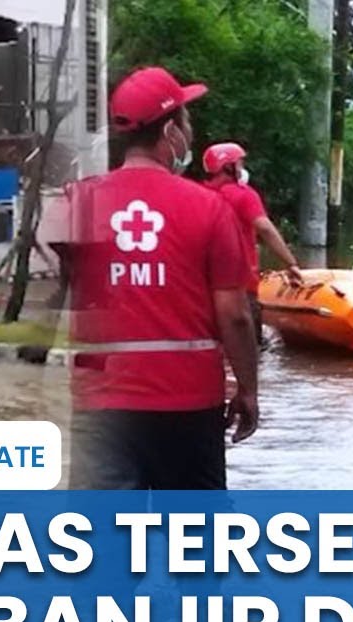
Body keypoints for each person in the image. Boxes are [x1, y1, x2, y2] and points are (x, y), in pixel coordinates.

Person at [66, 66, 259, 491]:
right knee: (193, 544)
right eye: (187, 122)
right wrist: (248, 390)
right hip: (187, 405)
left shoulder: (77, 203)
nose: (189, 133)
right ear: (171, 131)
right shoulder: (209, 209)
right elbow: (235, 316)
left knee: (100, 544)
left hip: (101, 404)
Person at [202, 142, 303, 342]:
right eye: (239, 164)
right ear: (228, 167)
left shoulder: (199, 195)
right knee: (251, 349)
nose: (242, 169)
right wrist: (291, 263)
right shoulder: (244, 196)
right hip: (242, 287)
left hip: (206, 290)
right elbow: (265, 229)